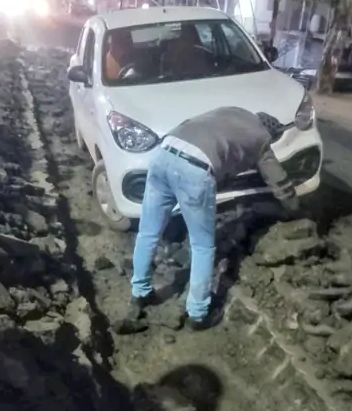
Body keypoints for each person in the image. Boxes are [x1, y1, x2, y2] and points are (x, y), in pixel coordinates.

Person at [129, 106, 301, 330]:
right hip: (193, 169)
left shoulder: (233, 112)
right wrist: (294, 208)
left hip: (163, 154)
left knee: (148, 233)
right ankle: (198, 314)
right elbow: (278, 180)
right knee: (202, 247)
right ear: (271, 133)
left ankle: (140, 293)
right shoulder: (261, 139)